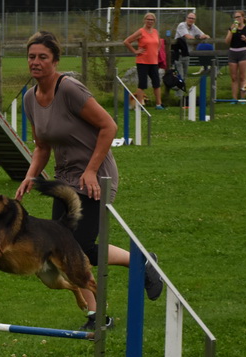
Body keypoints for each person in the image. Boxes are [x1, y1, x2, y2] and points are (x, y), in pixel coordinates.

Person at [15, 31, 163, 331]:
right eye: (31, 57)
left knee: (78, 248)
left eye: (43, 57)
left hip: (95, 176)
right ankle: (97, 317)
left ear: (55, 60)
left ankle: (142, 260)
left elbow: (109, 126)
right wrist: (31, 175)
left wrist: (92, 170)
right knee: (62, 249)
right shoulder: (30, 98)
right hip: (64, 180)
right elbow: (42, 146)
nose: (36, 62)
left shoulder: (69, 89)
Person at [123, 13, 165, 110]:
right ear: (144, 20)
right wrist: (135, 51)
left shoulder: (155, 32)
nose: (150, 21)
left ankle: (159, 104)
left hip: (154, 62)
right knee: (142, 84)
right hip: (142, 61)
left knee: (156, 83)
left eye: (152, 20)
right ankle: (140, 104)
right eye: (148, 19)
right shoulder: (141, 31)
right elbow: (126, 41)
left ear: (154, 21)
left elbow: (159, 43)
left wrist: (156, 52)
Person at [225, 10, 246, 103]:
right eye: (235, 17)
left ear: (243, 17)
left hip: (242, 52)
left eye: (238, 17)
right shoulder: (232, 28)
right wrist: (231, 31)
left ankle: (242, 98)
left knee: (242, 77)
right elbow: (227, 41)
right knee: (234, 77)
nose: (237, 19)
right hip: (232, 52)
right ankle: (234, 99)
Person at [174, 13, 211, 79]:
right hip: (178, 54)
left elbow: (206, 36)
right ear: (186, 19)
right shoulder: (182, 25)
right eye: (189, 18)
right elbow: (189, 37)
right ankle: (178, 85)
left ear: (194, 20)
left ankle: (181, 85)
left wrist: (201, 36)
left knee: (185, 76)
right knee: (180, 76)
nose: (191, 20)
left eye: (193, 19)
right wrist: (199, 37)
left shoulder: (193, 26)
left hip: (187, 54)